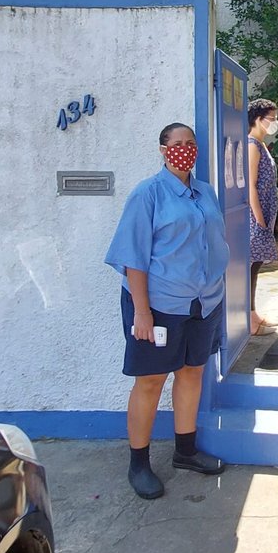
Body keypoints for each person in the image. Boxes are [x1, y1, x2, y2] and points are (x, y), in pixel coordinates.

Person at [104, 123, 229, 500]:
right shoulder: (148, 193)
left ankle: (185, 452)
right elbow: (133, 257)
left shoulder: (205, 192)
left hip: (203, 302)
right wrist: (142, 313)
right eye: (177, 144)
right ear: (163, 149)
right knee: (151, 381)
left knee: (192, 372)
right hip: (159, 304)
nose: (185, 149)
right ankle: (138, 463)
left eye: (191, 143)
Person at [246, 98, 278, 336]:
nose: (275, 122)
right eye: (272, 118)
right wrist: (259, 219)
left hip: (265, 213)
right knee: (251, 266)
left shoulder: (260, 144)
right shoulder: (252, 145)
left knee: (256, 266)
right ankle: (249, 319)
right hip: (257, 216)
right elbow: (250, 185)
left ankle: (253, 314)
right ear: (258, 120)